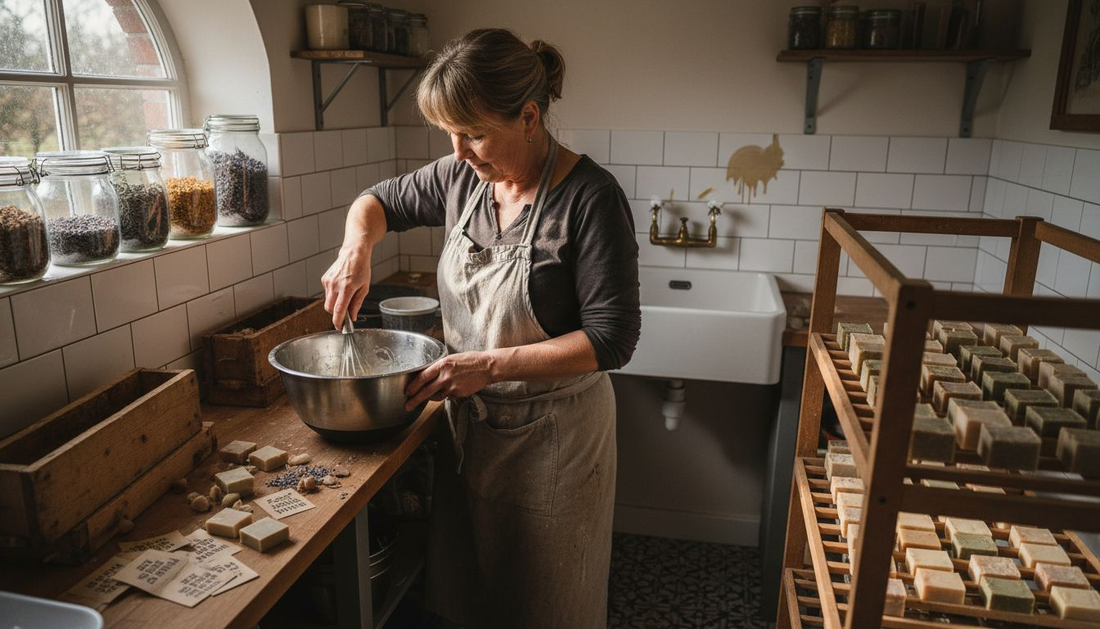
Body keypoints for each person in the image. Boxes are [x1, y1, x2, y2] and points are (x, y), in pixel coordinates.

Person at [321, 28, 640, 628]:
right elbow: (376, 202)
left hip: (557, 444)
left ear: (529, 117)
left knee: (547, 606)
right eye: (449, 135)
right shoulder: (462, 178)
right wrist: (355, 249)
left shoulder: (590, 198)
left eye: (473, 134)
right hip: (472, 434)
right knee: (471, 600)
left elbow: (611, 339)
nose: (460, 152)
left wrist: (487, 365)